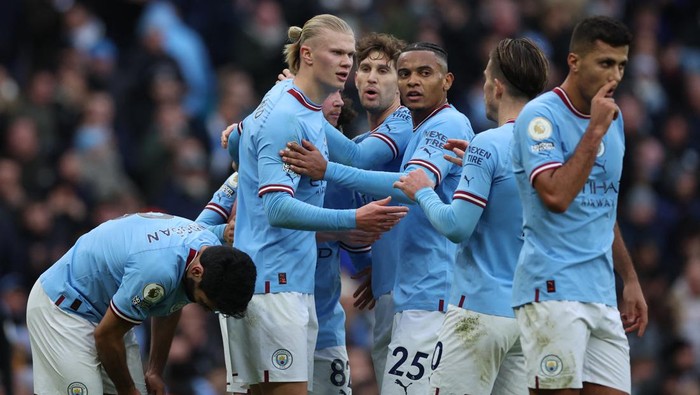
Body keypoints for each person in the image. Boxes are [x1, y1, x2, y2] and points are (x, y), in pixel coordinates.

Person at [219, 15, 409, 395]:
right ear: (306, 55)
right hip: (274, 283)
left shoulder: (305, 110)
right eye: (337, 53)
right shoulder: (287, 115)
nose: (347, 63)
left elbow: (352, 158)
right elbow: (277, 207)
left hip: (293, 283)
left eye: (349, 55)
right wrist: (353, 218)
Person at [281, 41, 474, 395]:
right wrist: (375, 261)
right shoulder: (408, 131)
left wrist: (299, 103)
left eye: (384, 70)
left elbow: (405, 185)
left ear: (447, 80)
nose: (411, 81)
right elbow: (359, 215)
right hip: (395, 294)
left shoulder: (436, 124)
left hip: (431, 294)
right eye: (404, 73)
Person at [393, 38, 549, 395]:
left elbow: (457, 227)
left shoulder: (488, 143)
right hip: (528, 315)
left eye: (484, 80)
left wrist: (422, 190)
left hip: (478, 312)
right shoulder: (552, 148)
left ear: (496, 86)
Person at [510, 16, 648, 394]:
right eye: (605, 63)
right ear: (574, 61)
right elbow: (556, 196)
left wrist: (630, 279)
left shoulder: (611, 121)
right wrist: (595, 131)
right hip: (553, 290)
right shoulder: (540, 117)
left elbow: (603, 209)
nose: (615, 76)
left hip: (601, 292)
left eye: (621, 65)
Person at [26, 212, 257, 395]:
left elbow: (172, 303)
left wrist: (155, 370)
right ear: (197, 271)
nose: (206, 310)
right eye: (206, 304)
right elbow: (106, 337)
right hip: (62, 308)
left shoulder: (206, 249)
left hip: (106, 312)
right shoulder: (158, 271)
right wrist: (127, 390)